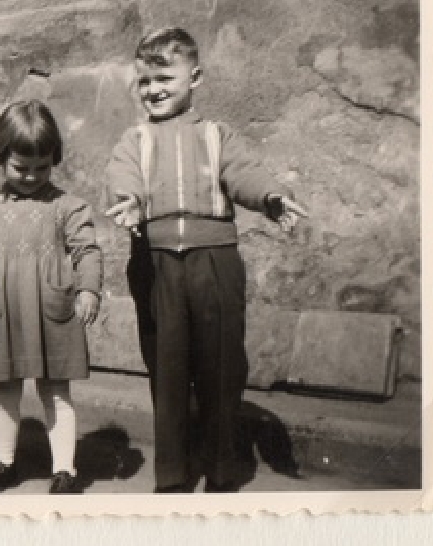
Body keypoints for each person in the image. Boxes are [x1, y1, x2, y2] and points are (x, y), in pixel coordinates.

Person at [105, 27, 308, 493]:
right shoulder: (135, 140)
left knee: (221, 367)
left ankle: (222, 470)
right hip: (156, 264)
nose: (153, 89)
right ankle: (173, 474)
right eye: (144, 81)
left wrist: (271, 197)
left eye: (165, 79)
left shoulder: (218, 136)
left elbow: (244, 173)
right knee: (168, 370)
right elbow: (122, 174)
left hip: (215, 263)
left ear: (194, 78)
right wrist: (129, 200)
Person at [0, 100, 103, 496]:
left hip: (49, 312)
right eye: (20, 167)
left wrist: (88, 288)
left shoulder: (67, 207)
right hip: (1, 313)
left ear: (53, 159)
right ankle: (2, 462)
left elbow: (87, 251)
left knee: (55, 390)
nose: (31, 177)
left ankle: (65, 470)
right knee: (3, 390)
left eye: (42, 167)